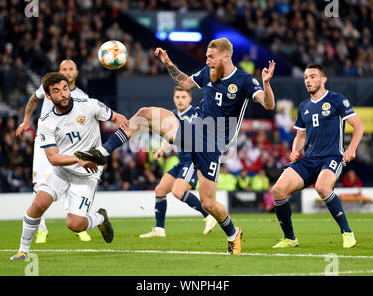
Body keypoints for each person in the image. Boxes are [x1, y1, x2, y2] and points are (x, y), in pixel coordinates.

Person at [75, 38, 276, 254]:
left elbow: (268, 104)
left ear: (226, 56)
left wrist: (265, 83)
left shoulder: (244, 80)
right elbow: (186, 83)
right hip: (191, 129)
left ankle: (233, 234)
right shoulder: (208, 72)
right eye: (207, 56)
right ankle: (103, 153)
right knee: (144, 114)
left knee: (208, 203)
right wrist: (169, 63)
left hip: (212, 143)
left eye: (211, 56)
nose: (207, 60)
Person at [10, 72, 129, 260]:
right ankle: (23, 251)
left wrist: (122, 126)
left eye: (65, 88)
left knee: (75, 224)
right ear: (48, 96)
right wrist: (78, 158)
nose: (63, 94)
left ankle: (100, 218)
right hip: (62, 170)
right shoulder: (46, 122)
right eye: (56, 91)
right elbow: (53, 158)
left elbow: (117, 118)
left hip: (87, 173)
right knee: (38, 204)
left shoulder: (90, 105)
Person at [270, 63, 364, 249]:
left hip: (332, 157)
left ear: (323, 79)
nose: (308, 80)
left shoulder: (337, 99)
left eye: (313, 76)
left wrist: (351, 148)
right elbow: (300, 136)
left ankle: (347, 233)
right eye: (306, 77)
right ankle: (290, 239)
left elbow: (358, 126)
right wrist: (295, 150)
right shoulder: (304, 106)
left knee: (322, 187)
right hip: (309, 160)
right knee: (278, 190)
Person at [16, 60, 92, 243]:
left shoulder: (82, 97)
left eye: (70, 69)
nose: (67, 71)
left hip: (68, 144)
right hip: (45, 141)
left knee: (73, 181)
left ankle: (78, 225)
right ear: (59, 71)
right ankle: (41, 229)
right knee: (39, 183)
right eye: (64, 69)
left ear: (76, 72)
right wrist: (26, 121)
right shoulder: (48, 88)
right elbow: (33, 99)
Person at [139, 86, 217, 238]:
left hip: (193, 160)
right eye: (177, 97)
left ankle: (209, 216)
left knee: (178, 191)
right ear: (174, 99)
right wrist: (162, 149)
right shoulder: (172, 115)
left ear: (189, 99)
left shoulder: (196, 114)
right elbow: (169, 136)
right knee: (160, 190)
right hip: (182, 161)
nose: (180, 100)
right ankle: (159, 229)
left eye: (183, 97)